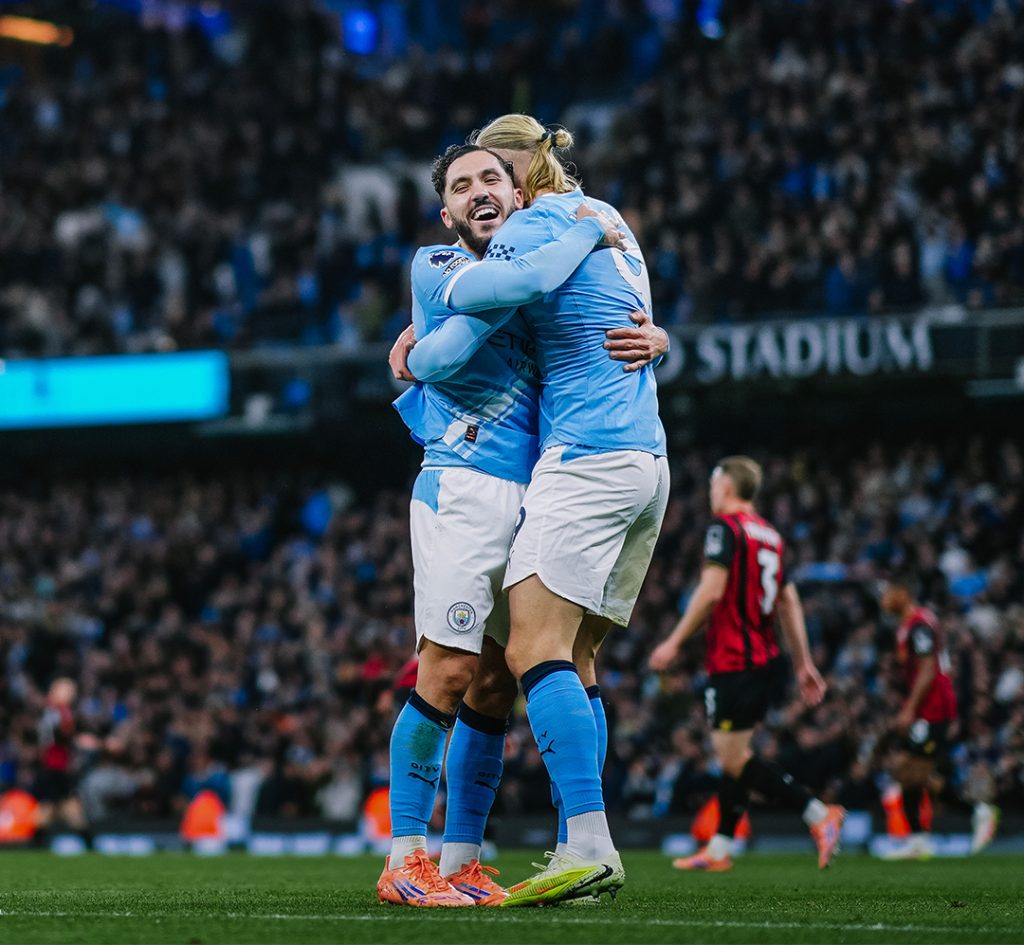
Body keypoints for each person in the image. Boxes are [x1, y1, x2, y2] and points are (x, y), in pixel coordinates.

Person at [379, 143, 665, 908]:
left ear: (516, 192)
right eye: (461, 186)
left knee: (500, 678)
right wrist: (586, 228)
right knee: (444, 668)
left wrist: (657, 336)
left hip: (536, 485)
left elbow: (592, 316)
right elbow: (437, 355)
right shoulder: (440, 264)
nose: (477, 192)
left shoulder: (536, 261)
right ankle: (405, 855)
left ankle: (464, 857)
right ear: (447, 212)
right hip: (465, 484)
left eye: (490, 179)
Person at [649, 456, 845, 871]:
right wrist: (803, 663)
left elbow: (712, 591)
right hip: (765, 657)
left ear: (725, 486)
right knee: (736, 754)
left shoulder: (725, 528)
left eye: (712, 483)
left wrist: (673, 641)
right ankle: (720, 848)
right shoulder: (771, 535)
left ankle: (818, 813)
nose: (709, 492)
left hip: (734, 659)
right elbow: (790, 601)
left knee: (735, 758)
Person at [878, 574, 999, 859]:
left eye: (888, 593)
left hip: (933, 710)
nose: (883, 600)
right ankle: (920, 839)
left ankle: (978, 812)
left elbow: (928, 670)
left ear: (903, 592)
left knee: (910, 771)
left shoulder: (919, 624)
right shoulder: (910, 624)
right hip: (925, 708)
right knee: (910, 774)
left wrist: (909, 709)